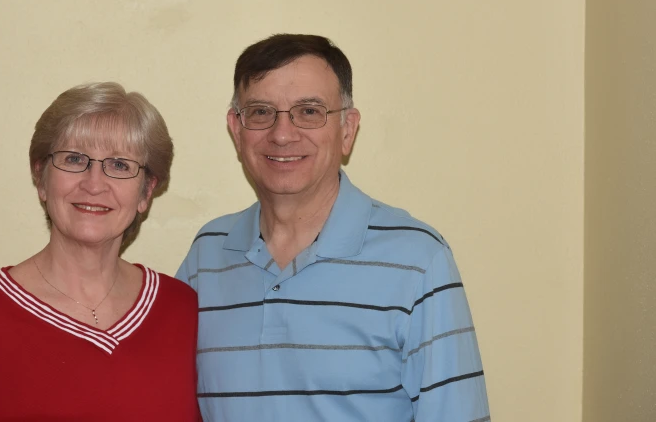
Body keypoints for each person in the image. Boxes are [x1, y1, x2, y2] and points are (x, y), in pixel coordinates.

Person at [177, 35, 490, 421]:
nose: (282, 133)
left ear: (347, 129)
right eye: (261, 112)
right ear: (236, 129)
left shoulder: (418, 260)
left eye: (309, 111)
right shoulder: (207, 255)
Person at [0, 82, 200, 421]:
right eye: (74, 159)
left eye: (120, 165)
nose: (94, 184)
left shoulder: (183, 310)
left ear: (146, 192)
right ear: (41, 178)